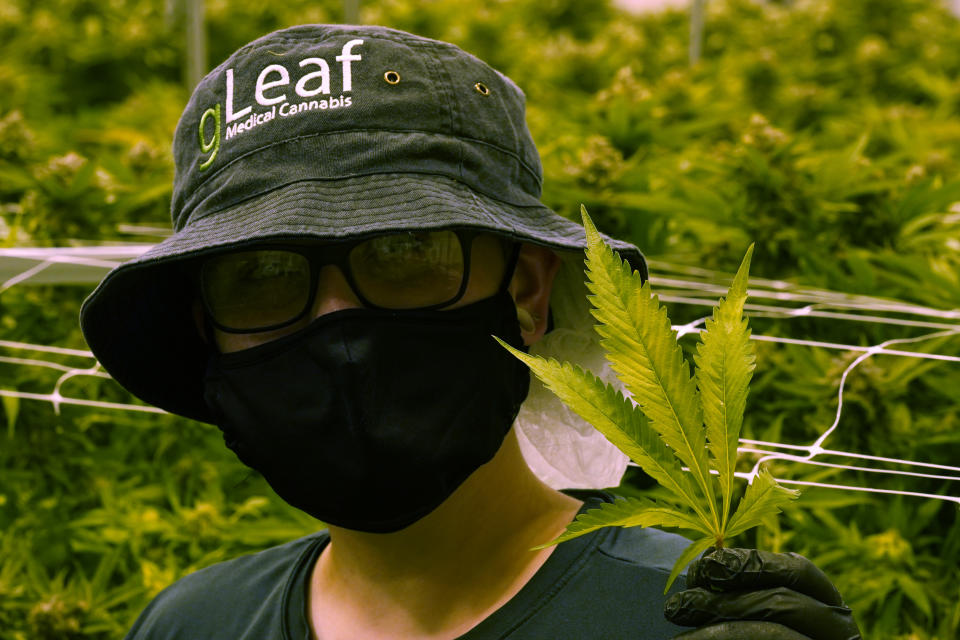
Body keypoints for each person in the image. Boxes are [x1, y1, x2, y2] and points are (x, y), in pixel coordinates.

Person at [80, 24, 861, 639]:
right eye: (261, 277)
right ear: (206, 329)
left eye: (403, 253)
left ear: (526, 287)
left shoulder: (696, 617)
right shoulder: (191, 623)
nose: (338, 325)